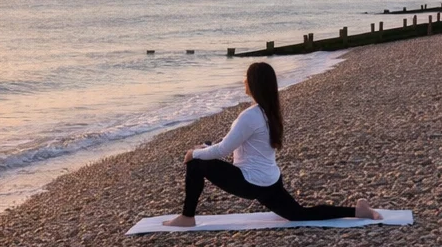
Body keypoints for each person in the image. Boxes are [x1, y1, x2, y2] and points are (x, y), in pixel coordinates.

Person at [163, 61, 381, 227]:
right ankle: (357, 211)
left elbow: (223, 150)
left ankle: (187, 216)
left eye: (246, 78)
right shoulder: (270, 112)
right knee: (299, 215)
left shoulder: (249, 116)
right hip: (270, 181)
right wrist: (204, 149)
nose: (243, 82)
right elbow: (228, 145)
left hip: (251, 183)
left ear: (253, 84)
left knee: (196, 163)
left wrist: (193, 153)